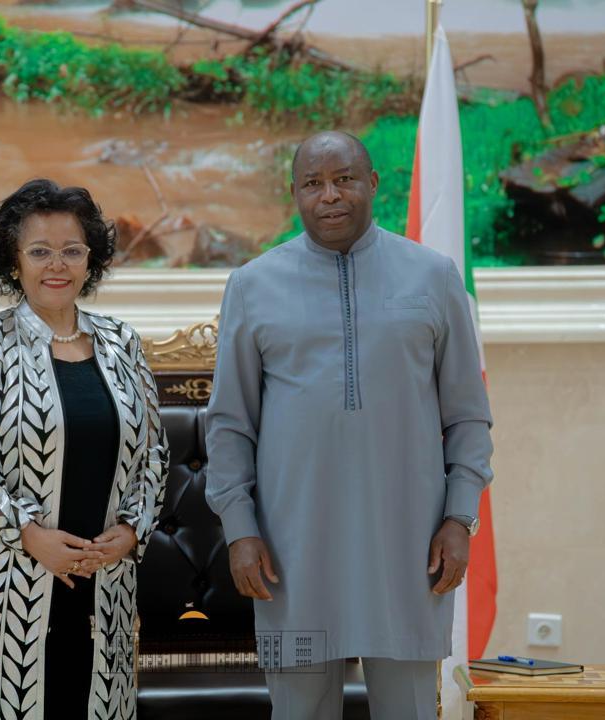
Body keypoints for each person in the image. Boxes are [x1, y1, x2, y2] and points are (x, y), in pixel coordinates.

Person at [205, 131, 494, 719]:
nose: (330, 196)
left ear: (373, 183)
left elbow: (468, 415)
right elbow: (230, 425)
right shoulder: (252, 285)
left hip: (410, 550)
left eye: (344, 180)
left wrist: (460, 517)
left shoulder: (434, 276)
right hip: (292, 554)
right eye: (313, 184)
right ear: (295, 193)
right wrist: (239, 529)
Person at [0, 178, 169, 720]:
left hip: (104, 583)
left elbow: (155, 454)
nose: (56, 265)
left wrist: (132, 531)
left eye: (72, 250)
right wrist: (30, 535)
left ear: (91, 260)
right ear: (13, 262)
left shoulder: (122, 341)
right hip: (2, 586)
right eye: (39, 251)